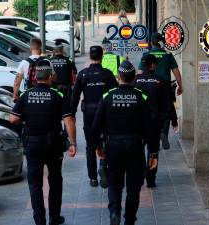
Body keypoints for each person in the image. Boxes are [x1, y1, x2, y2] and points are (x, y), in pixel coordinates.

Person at [9, 60, 77, 225]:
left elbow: (13, 119)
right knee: (55, 181)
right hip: (53, 144)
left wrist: (26, 117)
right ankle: (54, 217)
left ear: (36, 77)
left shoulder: (25, 95)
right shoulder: (58, 95)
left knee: (35, 184)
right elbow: (68, 120)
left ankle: (39, 220)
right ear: (50, 76)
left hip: (32, 145)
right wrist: (73, 143)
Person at [92, 61, 156, 225]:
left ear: (118, 77)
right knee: (133, 188)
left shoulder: (107, 96)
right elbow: (150, 127)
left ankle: (114, 212)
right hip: (135, 146)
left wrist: (97, 146)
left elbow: (96, 125)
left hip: (113, 146)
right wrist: (153, 152)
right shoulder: (142, 97)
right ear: (134, 78)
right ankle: (129, 220)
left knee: (114, 184)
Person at [71, 46, 118, 188]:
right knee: (107, 142)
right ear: (102, 56)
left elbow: (75, 97)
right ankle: (103, 166)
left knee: (90, 146)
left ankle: (92, 178)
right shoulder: (107, 74)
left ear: (90, 57)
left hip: (89, 114)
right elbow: (114, 94)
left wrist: (71, 115)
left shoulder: (83, 74)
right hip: (105, 115)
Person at [138, 32, 183, 149]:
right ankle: (164, 133)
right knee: (167, 110)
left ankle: (152, 136)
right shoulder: (168, 55)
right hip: (165, 86)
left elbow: (140, 73)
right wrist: (180, 85)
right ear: (161, 42)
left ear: (151, 42)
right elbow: (176, 71)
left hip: (149, 86)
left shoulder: (146, 55)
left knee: (150, 109)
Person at [135, 54, 170, 188]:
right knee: (153, 150)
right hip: (154, 122)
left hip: (137, 122)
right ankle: (150, 178)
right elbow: (166, 104)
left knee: (138, 149)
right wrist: (169, 121)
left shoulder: (135, 80)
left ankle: (141, 171)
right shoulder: (160, 80)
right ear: (152, 65)